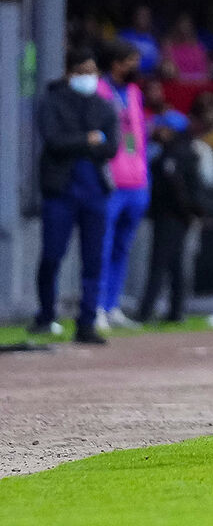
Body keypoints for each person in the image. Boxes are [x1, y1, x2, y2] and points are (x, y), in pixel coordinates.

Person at [30, 46, 119, 344]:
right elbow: (54, 142)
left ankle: (87, 322)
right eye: (83, 72)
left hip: (94, 189)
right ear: (70, 73)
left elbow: (111, 147)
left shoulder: (104, 107)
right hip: (61, 190)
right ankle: (45, 315)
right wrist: (88, 139)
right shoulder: (52, 101)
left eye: (92, 72)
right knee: (53, 254)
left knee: (93, 259)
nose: (88, 78)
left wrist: (82, 142)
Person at [96, 38, 150, 330]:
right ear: (116, 63)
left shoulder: (133, 91)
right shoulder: (100, 91)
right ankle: (95, 307)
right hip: (111, 182)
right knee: (101, 247)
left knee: (122, 248)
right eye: (131, 61)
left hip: (137, 181)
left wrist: (145, 178)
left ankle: (112, 304)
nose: (136, 67)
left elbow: (139, 136)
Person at [137, 111, 205, 323]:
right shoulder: (183, 151)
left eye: (162, 127)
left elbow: (178, 188)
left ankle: (146, 312)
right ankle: (175, 312)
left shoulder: (174, 154)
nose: (157, 131)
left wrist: (187, 212)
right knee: (175, 264)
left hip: (171, 216)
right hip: (178, 216)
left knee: (160, 264)